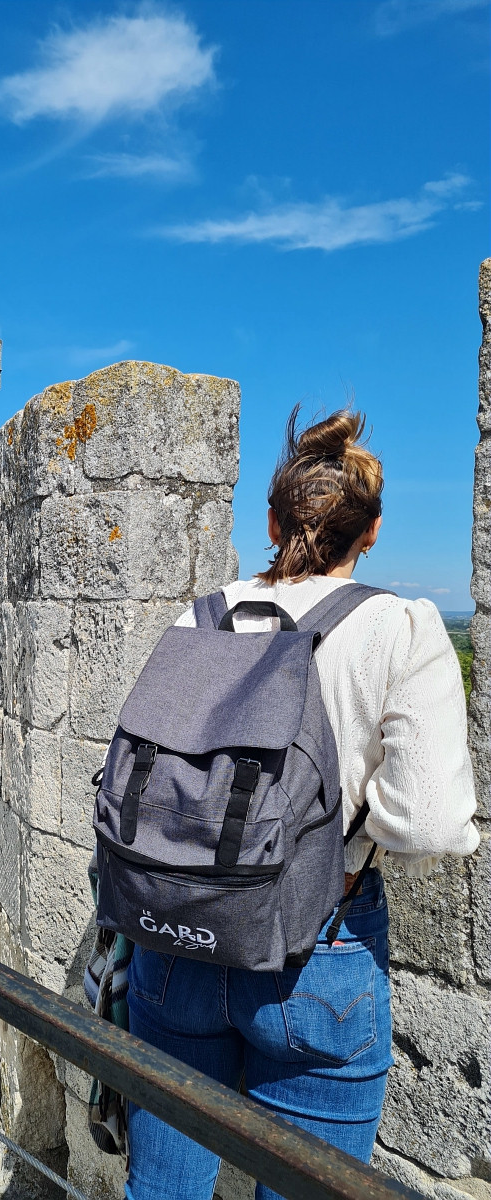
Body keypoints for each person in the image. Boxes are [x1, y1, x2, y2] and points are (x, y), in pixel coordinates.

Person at [124, 408, 479, 1200]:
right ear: (374, 532)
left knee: (161, 1189)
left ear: (275, 520)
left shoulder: (202, 615)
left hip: (175, 934)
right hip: (321, 944)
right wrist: (346, 836)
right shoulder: (400, 627)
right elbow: (429, 820)